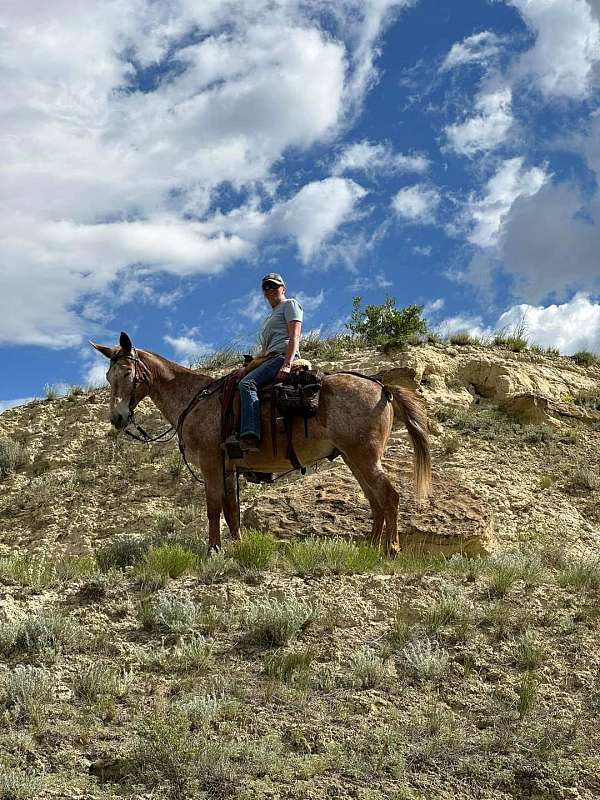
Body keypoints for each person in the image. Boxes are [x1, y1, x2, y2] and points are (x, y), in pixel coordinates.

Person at [236, 272, 303, 453]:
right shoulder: (269, 318)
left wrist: (287, 364)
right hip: (270, 357)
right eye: (266, 286)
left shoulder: (290, 304)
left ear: (283, 288)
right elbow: (265, 349)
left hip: (282, 356)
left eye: (274, 285)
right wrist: (251, 364)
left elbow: (294, 336)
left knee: (247, 384)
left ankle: (250, 435)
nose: (270, 289)